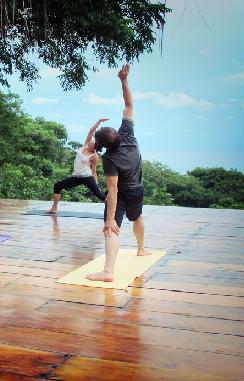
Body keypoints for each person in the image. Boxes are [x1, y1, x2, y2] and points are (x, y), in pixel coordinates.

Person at [87, 64, 151, 282]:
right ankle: (141, 249)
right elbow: (129, 104)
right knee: (138, 217)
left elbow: (112, 190)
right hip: (138, 190)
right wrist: (123, 81)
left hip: (123, 193)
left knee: (111, 229)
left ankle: (108, 272)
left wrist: (111, 219)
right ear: (117, 134)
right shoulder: (128, 134)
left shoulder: (109, 159)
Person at [48, 118, 108, 213]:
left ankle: (113, 211)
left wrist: (95, 183)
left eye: (93, 143)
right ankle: (54, 208)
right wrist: (99, 122)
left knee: (101, 195)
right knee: (57, 186)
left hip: (87, 177)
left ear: (95, 148)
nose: (91, 142)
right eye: (91, 141)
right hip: (76, 177)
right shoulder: (85, 146)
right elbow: (91, 131)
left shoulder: (94, 157)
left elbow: (94, 171)